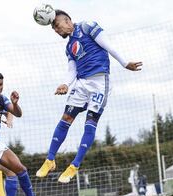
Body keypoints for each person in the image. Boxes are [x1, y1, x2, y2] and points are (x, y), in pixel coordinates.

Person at [36, 9, 143, 183]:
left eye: (57, 25)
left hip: (100, 82)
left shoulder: (87, 27)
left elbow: (108, 45)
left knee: (90, 123)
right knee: (65, 119)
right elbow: (72, 70)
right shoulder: (69, 47)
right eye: (54, 29)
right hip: (82, 83)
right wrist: (65, 84)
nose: (56, 30)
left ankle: (74, 166)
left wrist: (124, 63)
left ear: (68, 20)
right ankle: (50, 160)